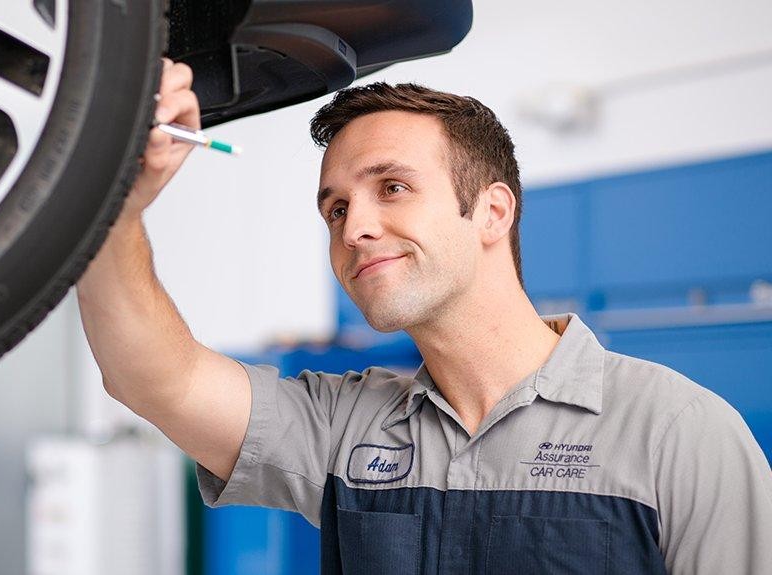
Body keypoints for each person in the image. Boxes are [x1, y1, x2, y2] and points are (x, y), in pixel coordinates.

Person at [76, 58, 772, 574]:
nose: (354, 229)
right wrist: (112, 197)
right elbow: (151, 376)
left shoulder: (678, 434)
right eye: (337, 208)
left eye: (393, 187)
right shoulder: (344, 427)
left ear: (493, 211)